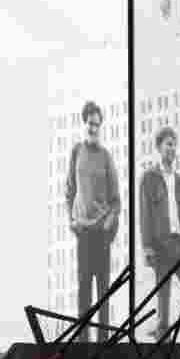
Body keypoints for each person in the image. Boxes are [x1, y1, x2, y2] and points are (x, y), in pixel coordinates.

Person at [65, 101, 120, 342]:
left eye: (97, 124)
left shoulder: (106, 157)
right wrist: (71, 220)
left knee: (103, 290)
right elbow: (69, 190)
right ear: (84, 123)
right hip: (83, 233)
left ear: (101, 126)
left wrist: (110, 223)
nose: (93, 128)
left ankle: (103, 343)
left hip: (101, 233)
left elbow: (116, 200)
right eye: (90, 123)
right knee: (83, 288)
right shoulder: (76, 152)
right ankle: (82, 343)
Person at [139, 126, 180, 349]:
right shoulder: (149, 178)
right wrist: (146, 247)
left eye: (175, 144)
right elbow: (144, 214)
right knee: (163, 300)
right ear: (159, 147)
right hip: (161, 246)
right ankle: (162, 343)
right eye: (168, 144)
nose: (172, 148)